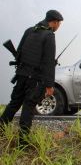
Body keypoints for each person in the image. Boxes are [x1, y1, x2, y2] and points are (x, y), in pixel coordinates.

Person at [0, 10, 63, 145]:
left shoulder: (29, 30)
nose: (59, 26)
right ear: (55, 22)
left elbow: (19, 52)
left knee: (13, 104)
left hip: (21, 75)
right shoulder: (49, 35)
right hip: (35, 80)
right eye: (59, 24)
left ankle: (0, 130)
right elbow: (47, 62)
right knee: (28, 107)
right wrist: (49, 85)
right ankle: (23, 143)